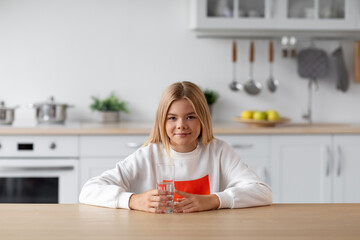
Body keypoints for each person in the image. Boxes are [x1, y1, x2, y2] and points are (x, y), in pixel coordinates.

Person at [79, 81, 272, 213]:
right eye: (172, 118)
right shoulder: (148, 155)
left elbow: (263, 192)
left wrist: (214, 200)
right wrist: (132, 201)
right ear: (162, 121)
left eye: (190, 116)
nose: (181, 125)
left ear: (203, 118)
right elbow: (88, 191)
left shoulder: (219, 151)